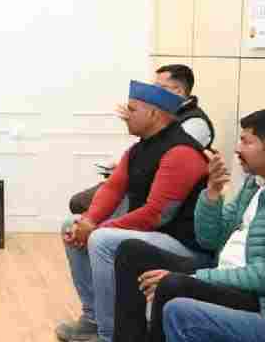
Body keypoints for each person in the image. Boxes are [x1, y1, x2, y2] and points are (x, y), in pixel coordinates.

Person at [112, 109, 265, 342]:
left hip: (258, 296)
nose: (237, 149)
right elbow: (209, 239)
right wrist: (213, 193)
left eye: (246, 141)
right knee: (132, 252)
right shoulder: (256, 182)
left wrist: (198, 277)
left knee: (173, 284)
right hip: (222, 270)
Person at [56, 81, 213, 342]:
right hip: (153, 235)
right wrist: (87, 221)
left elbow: (156, 214)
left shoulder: (181, 152)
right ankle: (93, 319)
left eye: (132, 109)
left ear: (153, 113)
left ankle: (109, 334)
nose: (125, 115)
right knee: (71, 225)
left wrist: (96, 229)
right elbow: (112, 188)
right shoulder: (138, 148)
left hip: (184, 245)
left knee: (101, 239)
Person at [69, 64, 215, 214]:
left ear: (178, 91)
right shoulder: (164, 117)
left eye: (159, 88)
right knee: (81, 204)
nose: (153, 92)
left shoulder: (195, 123)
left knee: (88, 210)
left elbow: (169, 161)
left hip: (158, 194)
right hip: (140, 183)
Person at [162, 232, 265, 342]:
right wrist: (211, 201)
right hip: (222, 268)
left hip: (261, 297)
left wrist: (199, 277)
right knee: (176, 306)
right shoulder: (253, 197)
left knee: (174, 287)